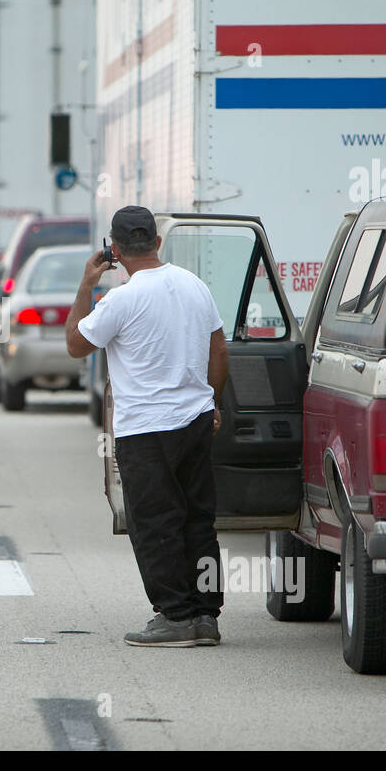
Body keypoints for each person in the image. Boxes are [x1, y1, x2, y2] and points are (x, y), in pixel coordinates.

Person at [65, 206, 230, 647]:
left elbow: (76, 345)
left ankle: (175, 616)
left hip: (144, 429)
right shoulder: (195, 286)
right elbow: (219, 350)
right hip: (195, 420)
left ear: (114, 251)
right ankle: (205, 617)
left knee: (155, 521)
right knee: (198, 519)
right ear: (158, 243)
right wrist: (211, 400)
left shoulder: (121, 299)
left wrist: (87, 283)